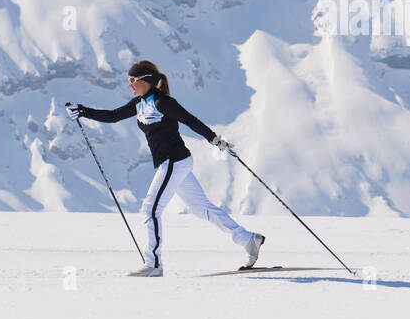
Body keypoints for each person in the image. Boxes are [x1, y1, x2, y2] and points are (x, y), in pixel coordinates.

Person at [68, 61, 264, 277]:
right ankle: (248, 239)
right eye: (129, 81)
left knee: (150, 210)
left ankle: (153, 264)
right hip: (172, 163)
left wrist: (215, 140)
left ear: (146, 81)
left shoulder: (163, 102)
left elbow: (191, 121)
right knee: (202, 209)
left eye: (133, 80)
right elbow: (113, 116)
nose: (130, 85)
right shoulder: (139, 103)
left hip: (175, 160)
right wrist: (83, 111)